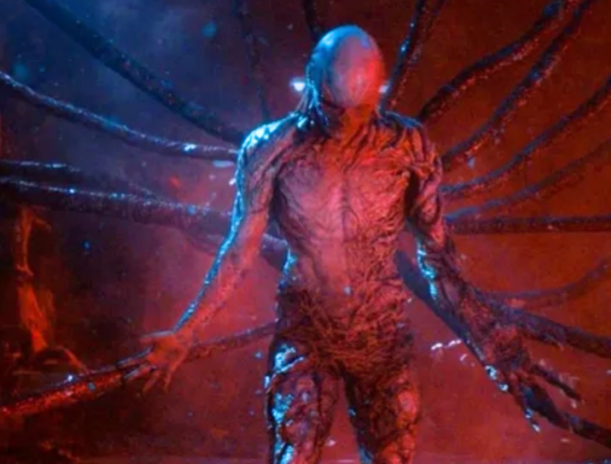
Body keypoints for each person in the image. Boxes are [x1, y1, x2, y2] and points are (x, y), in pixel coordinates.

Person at [136, 25, 562, 464]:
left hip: (383, 338)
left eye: (357, 111)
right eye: (333, 108)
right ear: (313, 83)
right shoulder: (271, 150)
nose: (344, 124)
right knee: (294, 457)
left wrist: (500, 350)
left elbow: (439, 258)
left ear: (377, 94)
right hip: (306, 333)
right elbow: (239, 249)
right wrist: (186, 332)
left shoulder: (407, 148)